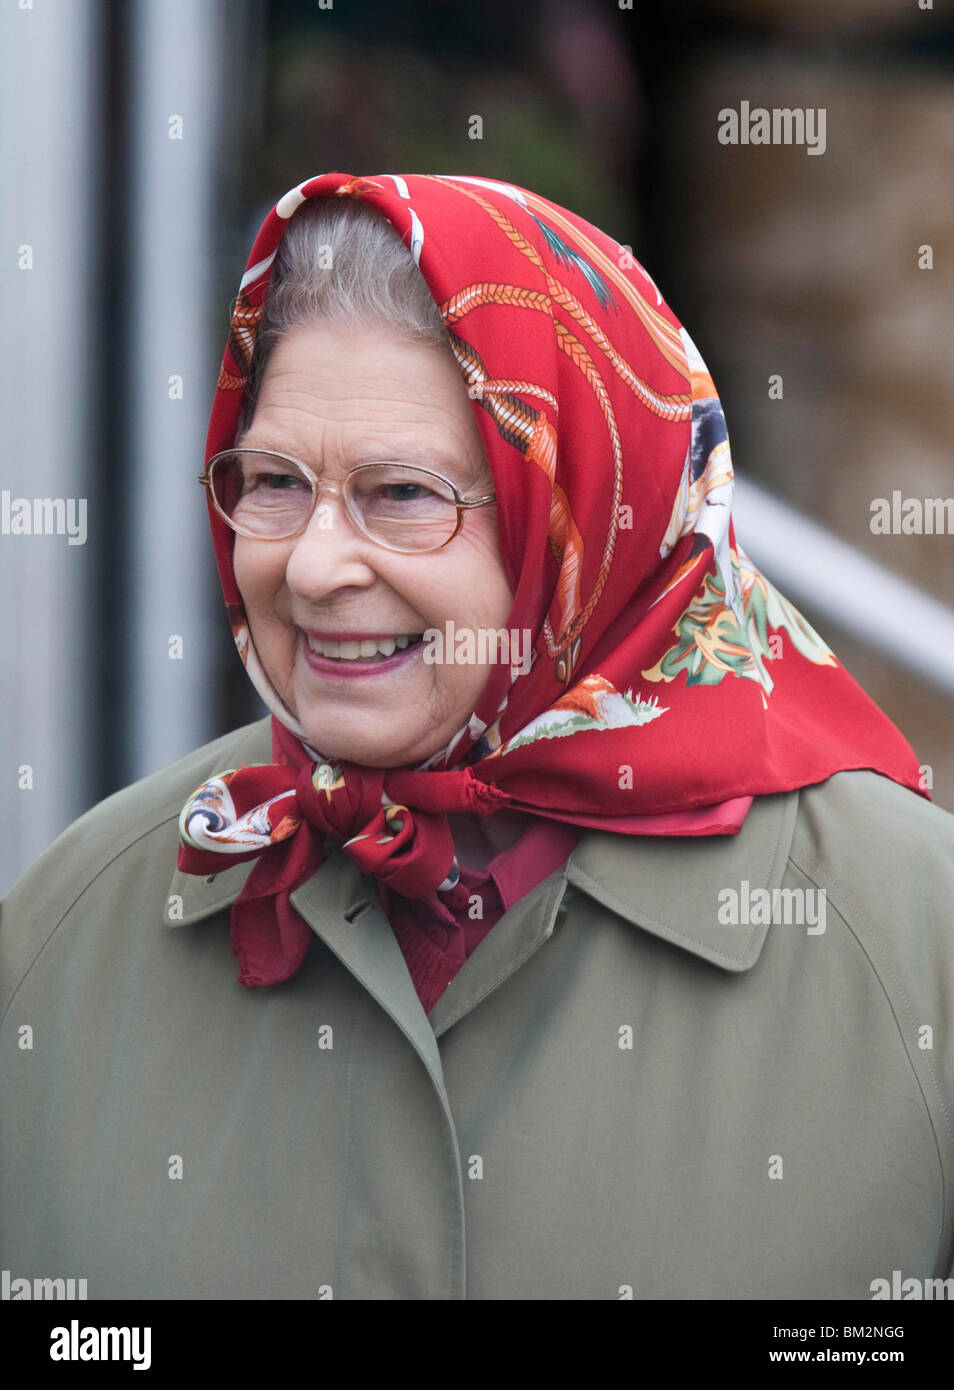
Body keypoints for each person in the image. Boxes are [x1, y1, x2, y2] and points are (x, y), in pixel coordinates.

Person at [2, 172, 952, 1301]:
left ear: (594, 517)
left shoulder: (909, 946)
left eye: (402, 495)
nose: (309, 566)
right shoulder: (75, 926)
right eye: (271, 483)